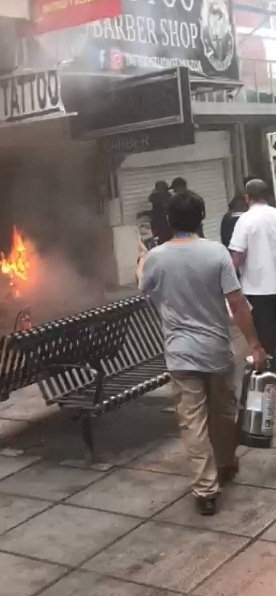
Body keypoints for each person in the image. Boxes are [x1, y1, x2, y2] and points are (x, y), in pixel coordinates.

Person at [140, 191, 266, 516]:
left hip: (180, 353)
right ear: (202, 218)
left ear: (169, 220)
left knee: (192, 421)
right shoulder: (217, 254)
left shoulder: (156, 257)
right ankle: (224, 465)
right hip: (216, 350)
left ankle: (206, 490)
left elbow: (147, 291)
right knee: (224, 413)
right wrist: (253, 343)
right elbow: (236, 303)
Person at [229, 179, 276, 361]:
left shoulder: (245, 220)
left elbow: (237, 255)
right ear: (267, 196)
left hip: (258, 290)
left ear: (247, 198)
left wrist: (228, 279)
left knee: (266, 336)